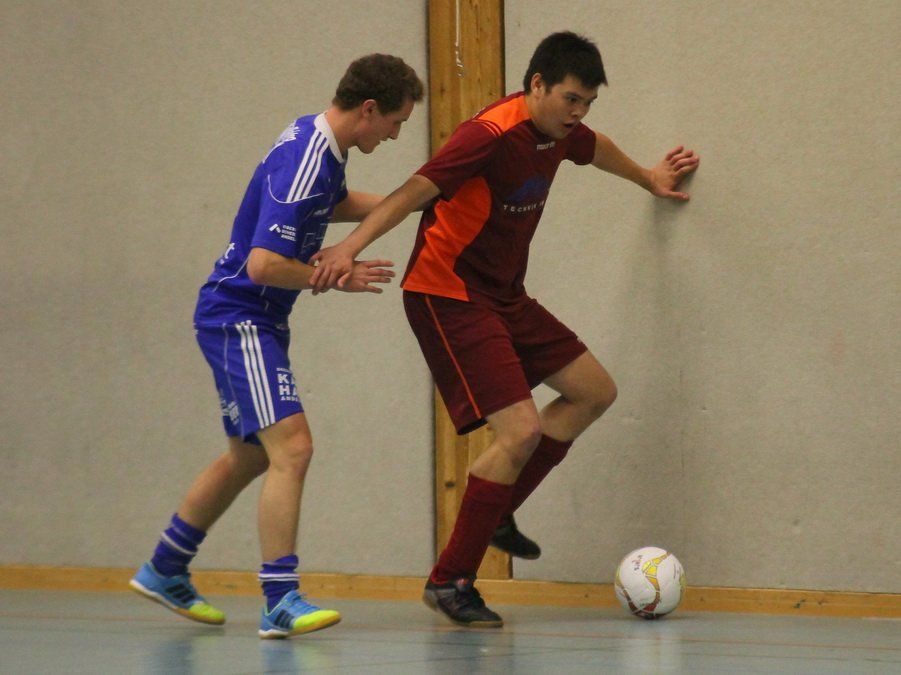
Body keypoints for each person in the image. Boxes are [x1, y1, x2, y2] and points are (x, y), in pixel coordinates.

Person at [310, 32, 699, 627]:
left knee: (594, 392)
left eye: (588, 103)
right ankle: (450, 580)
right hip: (448, 293)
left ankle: (494, 511)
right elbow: (413, 193)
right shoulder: (489, 135)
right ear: (537, 85)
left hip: (503, 295)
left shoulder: (562, 132)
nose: (578, 113)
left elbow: (595, 148)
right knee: (518, 433)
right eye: (570, 99)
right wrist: (348, 247)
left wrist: (648, 178)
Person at [130, 54, 424, 639]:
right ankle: (280, 598)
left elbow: (331, 205)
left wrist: (413, 201)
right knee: (294, 448)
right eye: (396, 122)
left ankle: (165, 566)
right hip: (240, 317)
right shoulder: (307, 161)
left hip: (248, 317)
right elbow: (263, 265)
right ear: (369, 110)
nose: (395, 134)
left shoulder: (320, 142)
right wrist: (337, 275)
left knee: (252, 455)